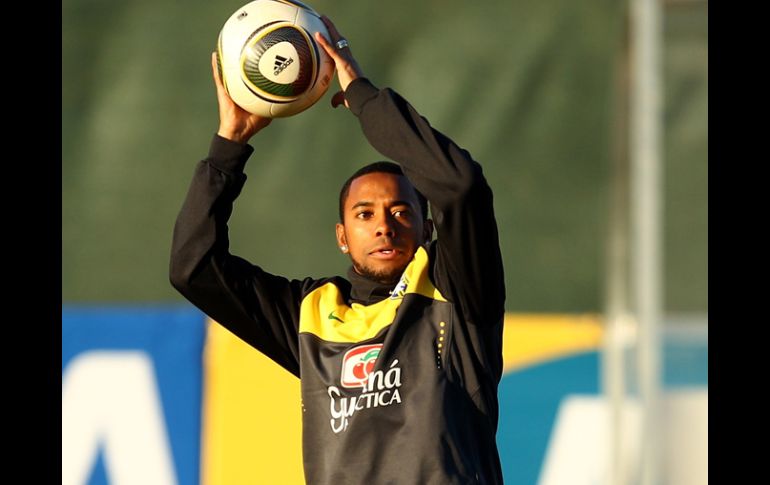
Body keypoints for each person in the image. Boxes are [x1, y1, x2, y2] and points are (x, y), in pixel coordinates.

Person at [170, 14, 506, 485]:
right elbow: (193, 267)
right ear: (342, 236)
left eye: (401, 212)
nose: (384, 226)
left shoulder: (457, 289)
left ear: (428, 226)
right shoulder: (311, 314)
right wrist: (229, 144)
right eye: (364, 214)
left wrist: (362, 97)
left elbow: (461, 186)